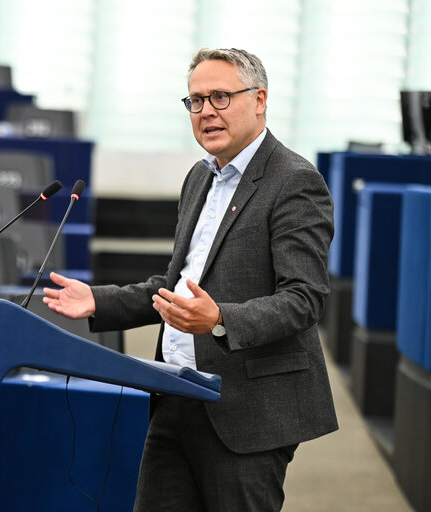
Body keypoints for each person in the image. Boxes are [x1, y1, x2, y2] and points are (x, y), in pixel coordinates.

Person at [43, 48, 338, 512]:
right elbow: (177, 284)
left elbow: (304, 300)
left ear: (259, 100)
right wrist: (99, 301)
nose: (206, 112)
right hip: (176, 394)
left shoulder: (295, 182)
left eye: (221, 97)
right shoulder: (199, 178)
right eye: (196, 101)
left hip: (246, 410)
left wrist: (220, 319)